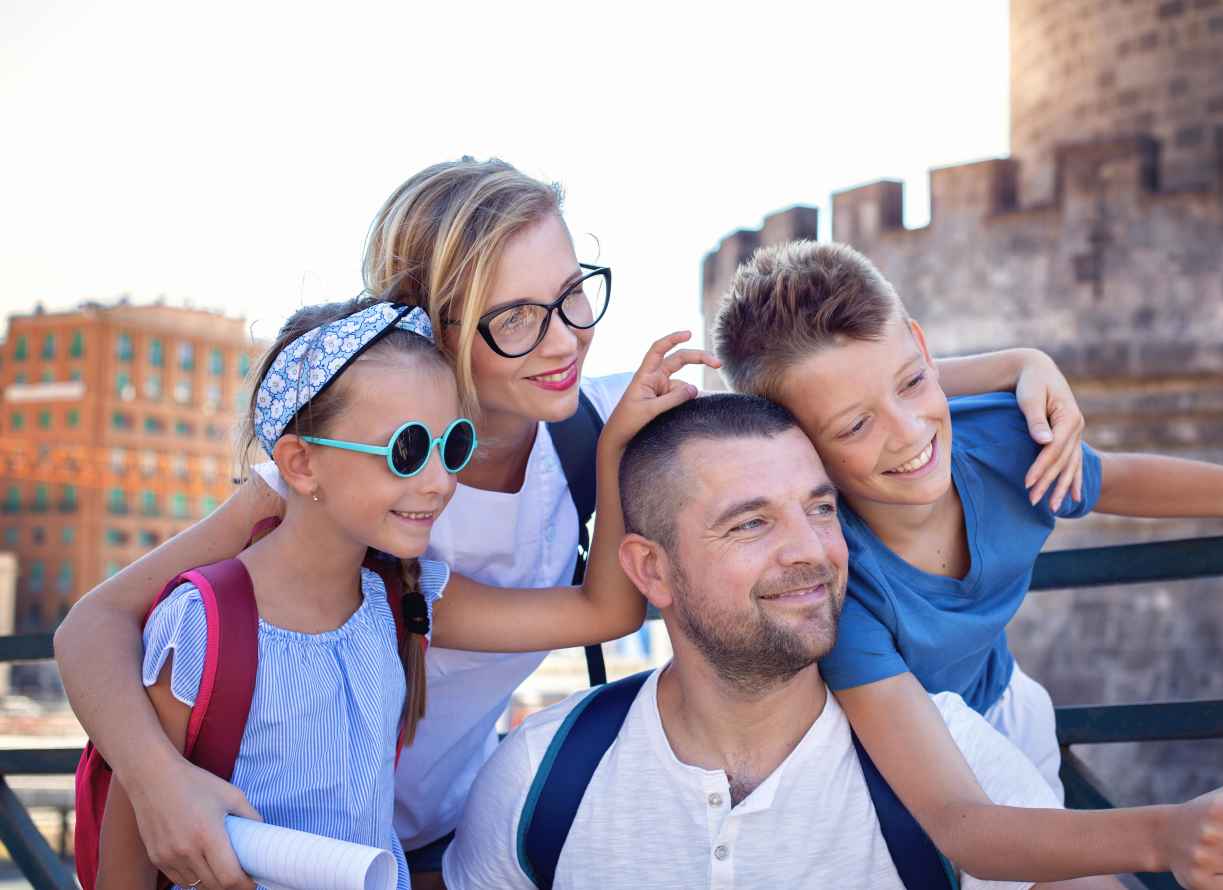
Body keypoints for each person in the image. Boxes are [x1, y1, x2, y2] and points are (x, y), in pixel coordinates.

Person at [53, 158, 1092, 889]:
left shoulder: (590, 416)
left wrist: (1014, 368)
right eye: (516, 317)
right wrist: (164, 784)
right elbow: (88, 629)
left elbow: (804, 394)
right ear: (432, 323)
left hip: (447, 830)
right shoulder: (352, 472)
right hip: (265, 830)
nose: (562, 338)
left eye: (574, 295)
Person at [442, 394, 1223, 890]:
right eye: (750, 524)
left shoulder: (954, 762)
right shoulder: (539, 782)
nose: (812, 552)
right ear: (650, 569)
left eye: (822, 508)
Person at [710, 240, 1223, 886]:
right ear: (792, 447)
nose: (910, 431)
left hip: (1008, 709)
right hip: (890, 758)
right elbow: (961, 823)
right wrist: (1171, 834)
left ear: (921, 346)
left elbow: (1132, 481)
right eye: (855, 427)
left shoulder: (1002, 441)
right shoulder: (836, 583)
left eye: (914, 383)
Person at [94, 298, 696, 888]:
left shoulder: (405, 600)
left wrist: (612, 445)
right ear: (301, 464)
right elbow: (127, 862)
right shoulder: (203, 624)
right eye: (406, 451)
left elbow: (607, 611)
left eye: (452, 445)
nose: (439, 482)